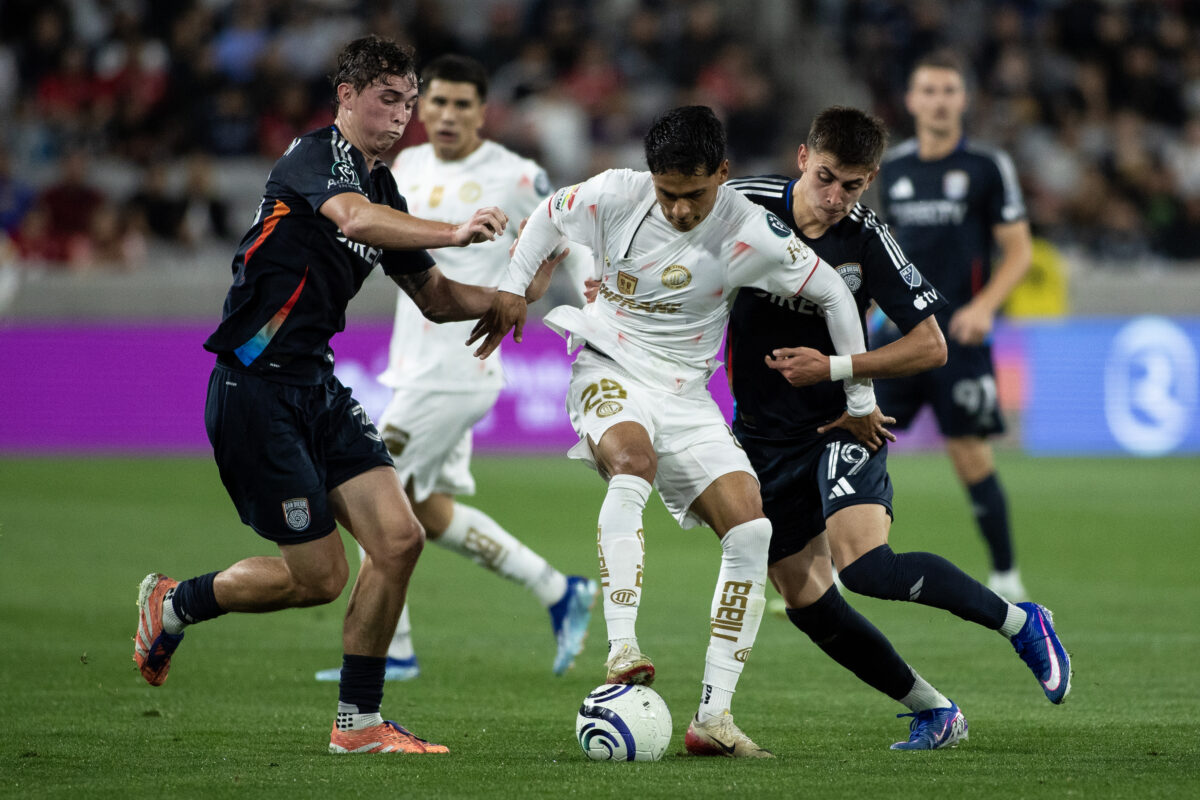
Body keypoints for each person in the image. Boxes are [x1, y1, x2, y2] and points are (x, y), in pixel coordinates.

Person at [132, 35, 564, 756]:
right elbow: (354, 221)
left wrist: (506, 296)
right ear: (347, 98)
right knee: (320, 578)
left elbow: (432, 297)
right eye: (387, 99)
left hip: (317, 386)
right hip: (253, 388)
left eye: (408, 103)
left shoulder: (385, 189)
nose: (401, 117)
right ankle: (173, 603)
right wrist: (456, 230)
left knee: (399, 539)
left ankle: (358, 724)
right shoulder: (314, 159)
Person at [469, 105, 876, 758]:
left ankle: (714, 717)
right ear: (650, 176)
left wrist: (858, 391)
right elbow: (548, 216)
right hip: (609, 363)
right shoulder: (613, 193)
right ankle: (622, 644)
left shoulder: (753, 232)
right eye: (668, 194)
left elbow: (830, 290)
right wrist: (515, 288)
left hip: (688, 395)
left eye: (694, 194)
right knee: (632, 462)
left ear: (722, 173)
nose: (681, 209)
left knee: (753, 528)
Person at [725, 106, 1071, 751]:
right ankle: (935, 710)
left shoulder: (864, 237)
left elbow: (931, 345)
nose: (835, 198)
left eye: (853, 186)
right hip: (760, 437)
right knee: (805, 600)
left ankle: (1022, 622)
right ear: (803, 158)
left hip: (841, 423)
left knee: (867, 568)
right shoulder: (741, 203)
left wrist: (835, 366)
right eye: (826, 177)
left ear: (871, 180)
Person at [313, 53, 597, 685]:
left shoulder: (516, 174)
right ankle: (558, 589)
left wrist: (593, 299)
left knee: (367, 497)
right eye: (434, 102)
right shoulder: (402, 165)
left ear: (481, 111)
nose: (445, 115)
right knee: (427, 510)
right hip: (413, 362)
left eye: (461, 104)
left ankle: (396, 649)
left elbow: (570, 233)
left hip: (460, 366)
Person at [875, 49, 1035, 601]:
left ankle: (1007, 573)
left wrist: (985, 306)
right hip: (897, 339)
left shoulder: (987, 168)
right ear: (912, 100)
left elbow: (1018, 251)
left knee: (969, 452)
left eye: (949, 90)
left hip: (960, 339)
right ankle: (826, 567)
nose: (940, 101)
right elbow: (878, 249)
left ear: (963, 99)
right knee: (856, 440)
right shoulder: (891, 167)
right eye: (929, 90)